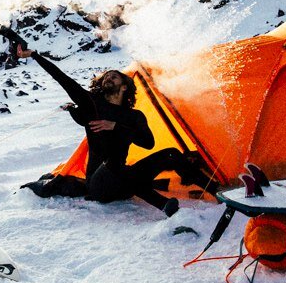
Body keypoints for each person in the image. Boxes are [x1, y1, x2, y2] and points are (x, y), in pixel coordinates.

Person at [17, 44, 210, 217]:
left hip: (123, 183)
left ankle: (214, 188)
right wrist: (34, 55)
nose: (107, 78)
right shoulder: (93, 104)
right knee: (116, 162)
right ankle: (162, 204)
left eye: (113, 76)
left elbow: (148, 143)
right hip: (99, 185)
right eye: (106, 77)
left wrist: (116, 126)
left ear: (124, 86)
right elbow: (62, 78)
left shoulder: (134, 116)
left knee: (171, 154)